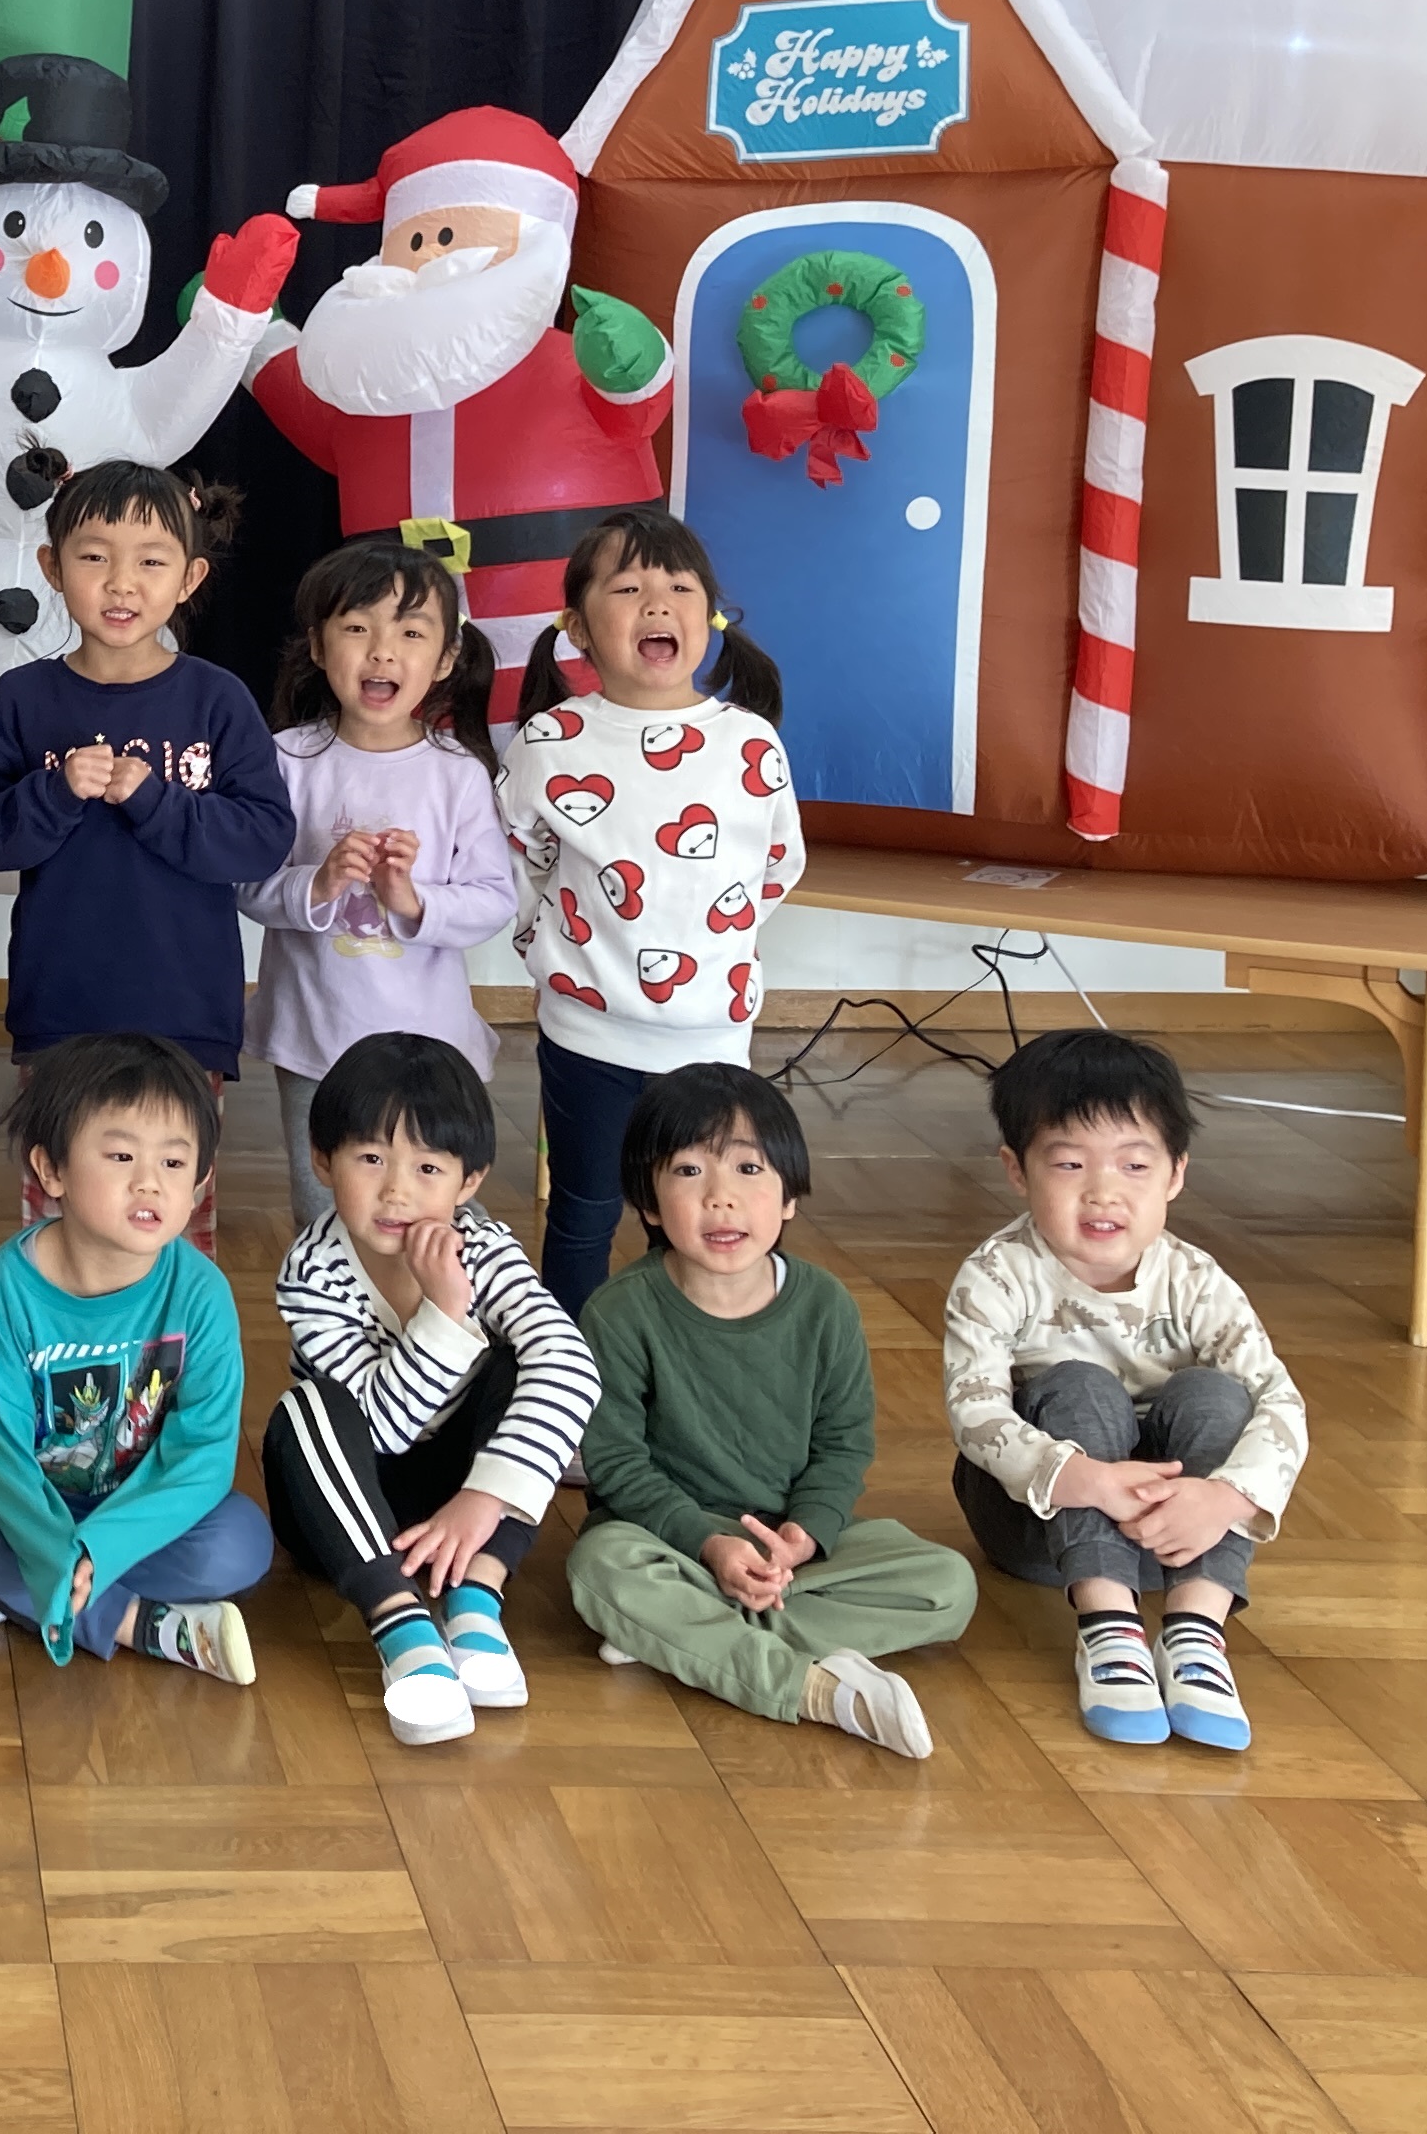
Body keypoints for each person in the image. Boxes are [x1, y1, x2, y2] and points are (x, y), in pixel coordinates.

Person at [568, 1066, 978, 1758]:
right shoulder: (620, 1312)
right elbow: (615, 1463)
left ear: (789, 1197)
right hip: (671, 1543)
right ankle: (812, 1689)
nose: (721, 1197)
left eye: (749, 1168)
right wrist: (711, 1543)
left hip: (791, 1553)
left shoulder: (825, 1306)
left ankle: (682, 1636)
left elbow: (843, 1444)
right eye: (689, 1171)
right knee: (599, 1567)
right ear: (648, 1202)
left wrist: (804, 1537)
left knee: (948, 1585)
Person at [0, 461, 291, 1234]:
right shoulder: (23, 698)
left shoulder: (217, 699)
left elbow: (262, 840)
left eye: (151, 561)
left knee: (171, 1226)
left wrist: (156, 801)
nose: (121, 583)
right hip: (62, 1014)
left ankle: (175, 1323)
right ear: (51, 567)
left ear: (190, 577)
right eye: (95, 557)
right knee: (57, 1217)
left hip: (186, 1016)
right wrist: (55, 790)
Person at [946, 1031, 1308, 1752]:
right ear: (1017, 1170)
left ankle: (1197, 1630)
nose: (1103, 1191)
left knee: (1217, 1395)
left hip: (1174, 1538)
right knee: (1080, 1386)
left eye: (1135, 1165)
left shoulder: (1196, 1280)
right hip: (1040, 1531)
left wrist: (1227, 1498)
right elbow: (973, 1410)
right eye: (1070, 1164)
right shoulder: (997, 1274)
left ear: (1175, 1174)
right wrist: (1086, 1479)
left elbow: (1281, 1402)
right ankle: (1108, 1628)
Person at [246, 104, 672, 693]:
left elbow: (637, 405)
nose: (432, 256)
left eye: (451, 236)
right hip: (409, 676)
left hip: (576, 663)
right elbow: (313, 413)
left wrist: (631, 360)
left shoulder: (575, 361)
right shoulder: (369, 382)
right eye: (415, 238)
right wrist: (250, 332)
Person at [495, 507, 801, 1314]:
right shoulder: (550, 740)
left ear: (711, 617)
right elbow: (518, 854)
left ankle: (686, 1362)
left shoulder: (748, 742)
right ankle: (564, 1369)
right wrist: (551, 948)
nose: (657, 602)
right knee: (583, 1215)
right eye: (628, 588)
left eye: (679, 587)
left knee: (700, 1222)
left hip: (711, 1037)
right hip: (586, 1033)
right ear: (577, 627)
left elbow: (776, 865)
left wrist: (710, 944)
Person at [261, 1033, 596, 1745]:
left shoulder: (485, 1250)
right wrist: (444, 1312)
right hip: (349, 1512)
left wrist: (485, 1498)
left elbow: (572, 1364)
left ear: (468, 1182)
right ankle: (401, 1624)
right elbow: (382, 1431)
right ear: (321, 1159)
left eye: (427, 1167)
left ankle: (477, 1594)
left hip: (465, 1512)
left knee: (525, 1366)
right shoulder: (312, 1271)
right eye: (371, 1158)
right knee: (308, 1409)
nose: (397, 1191)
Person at [0, 1034, 272, 1682]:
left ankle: (9, 1595)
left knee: (242, 1542)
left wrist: (101, 1547)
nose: (149, 1182)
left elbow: (202, 1459)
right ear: (50, 1170)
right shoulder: (7, 1288)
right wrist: (52, 1548)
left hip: (138, 1515)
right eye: (120, 1155)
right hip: (22, 1509)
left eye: (174, 1162)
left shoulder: (202, 1293)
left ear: (199, 1183)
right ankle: (137, 1624)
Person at [246, 540, 519, 1232]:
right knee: (324, 1211)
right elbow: (247, 886)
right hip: (314, 1039)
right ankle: (327, 1305)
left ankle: (452, 1297)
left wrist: (413, 901)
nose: (382, 652)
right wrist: (319, 882)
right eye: (357, 628)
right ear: (318, 645)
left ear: (447, 658)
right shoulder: (285, 760)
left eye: (410, 633)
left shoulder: (457, 771)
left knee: (433, 1206)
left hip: (428, 1047)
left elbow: (494, 897)